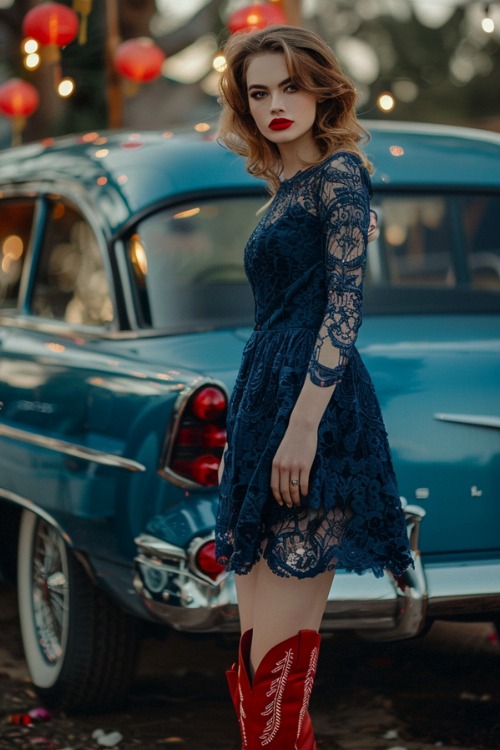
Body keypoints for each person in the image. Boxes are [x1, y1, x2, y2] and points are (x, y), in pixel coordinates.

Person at [215, 25, 414, 749]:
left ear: (321, 89)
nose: (273, 104)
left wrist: (301, 428)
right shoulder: (284, 187)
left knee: (276, 653)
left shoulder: (340, 174)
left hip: (315, 415)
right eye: (258, 92)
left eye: (289, 86)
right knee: (254, 653)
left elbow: (344, 309)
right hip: (266, 405)